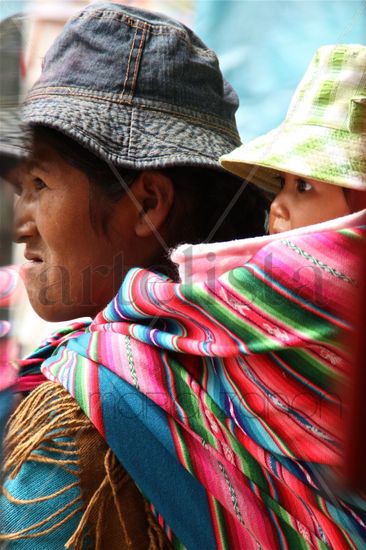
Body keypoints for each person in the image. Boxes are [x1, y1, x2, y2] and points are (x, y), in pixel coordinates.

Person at [1, 12, 365, 550]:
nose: (19, 221)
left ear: (148, 202)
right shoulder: (302, 372)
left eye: (38, 182)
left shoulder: (89, 414)